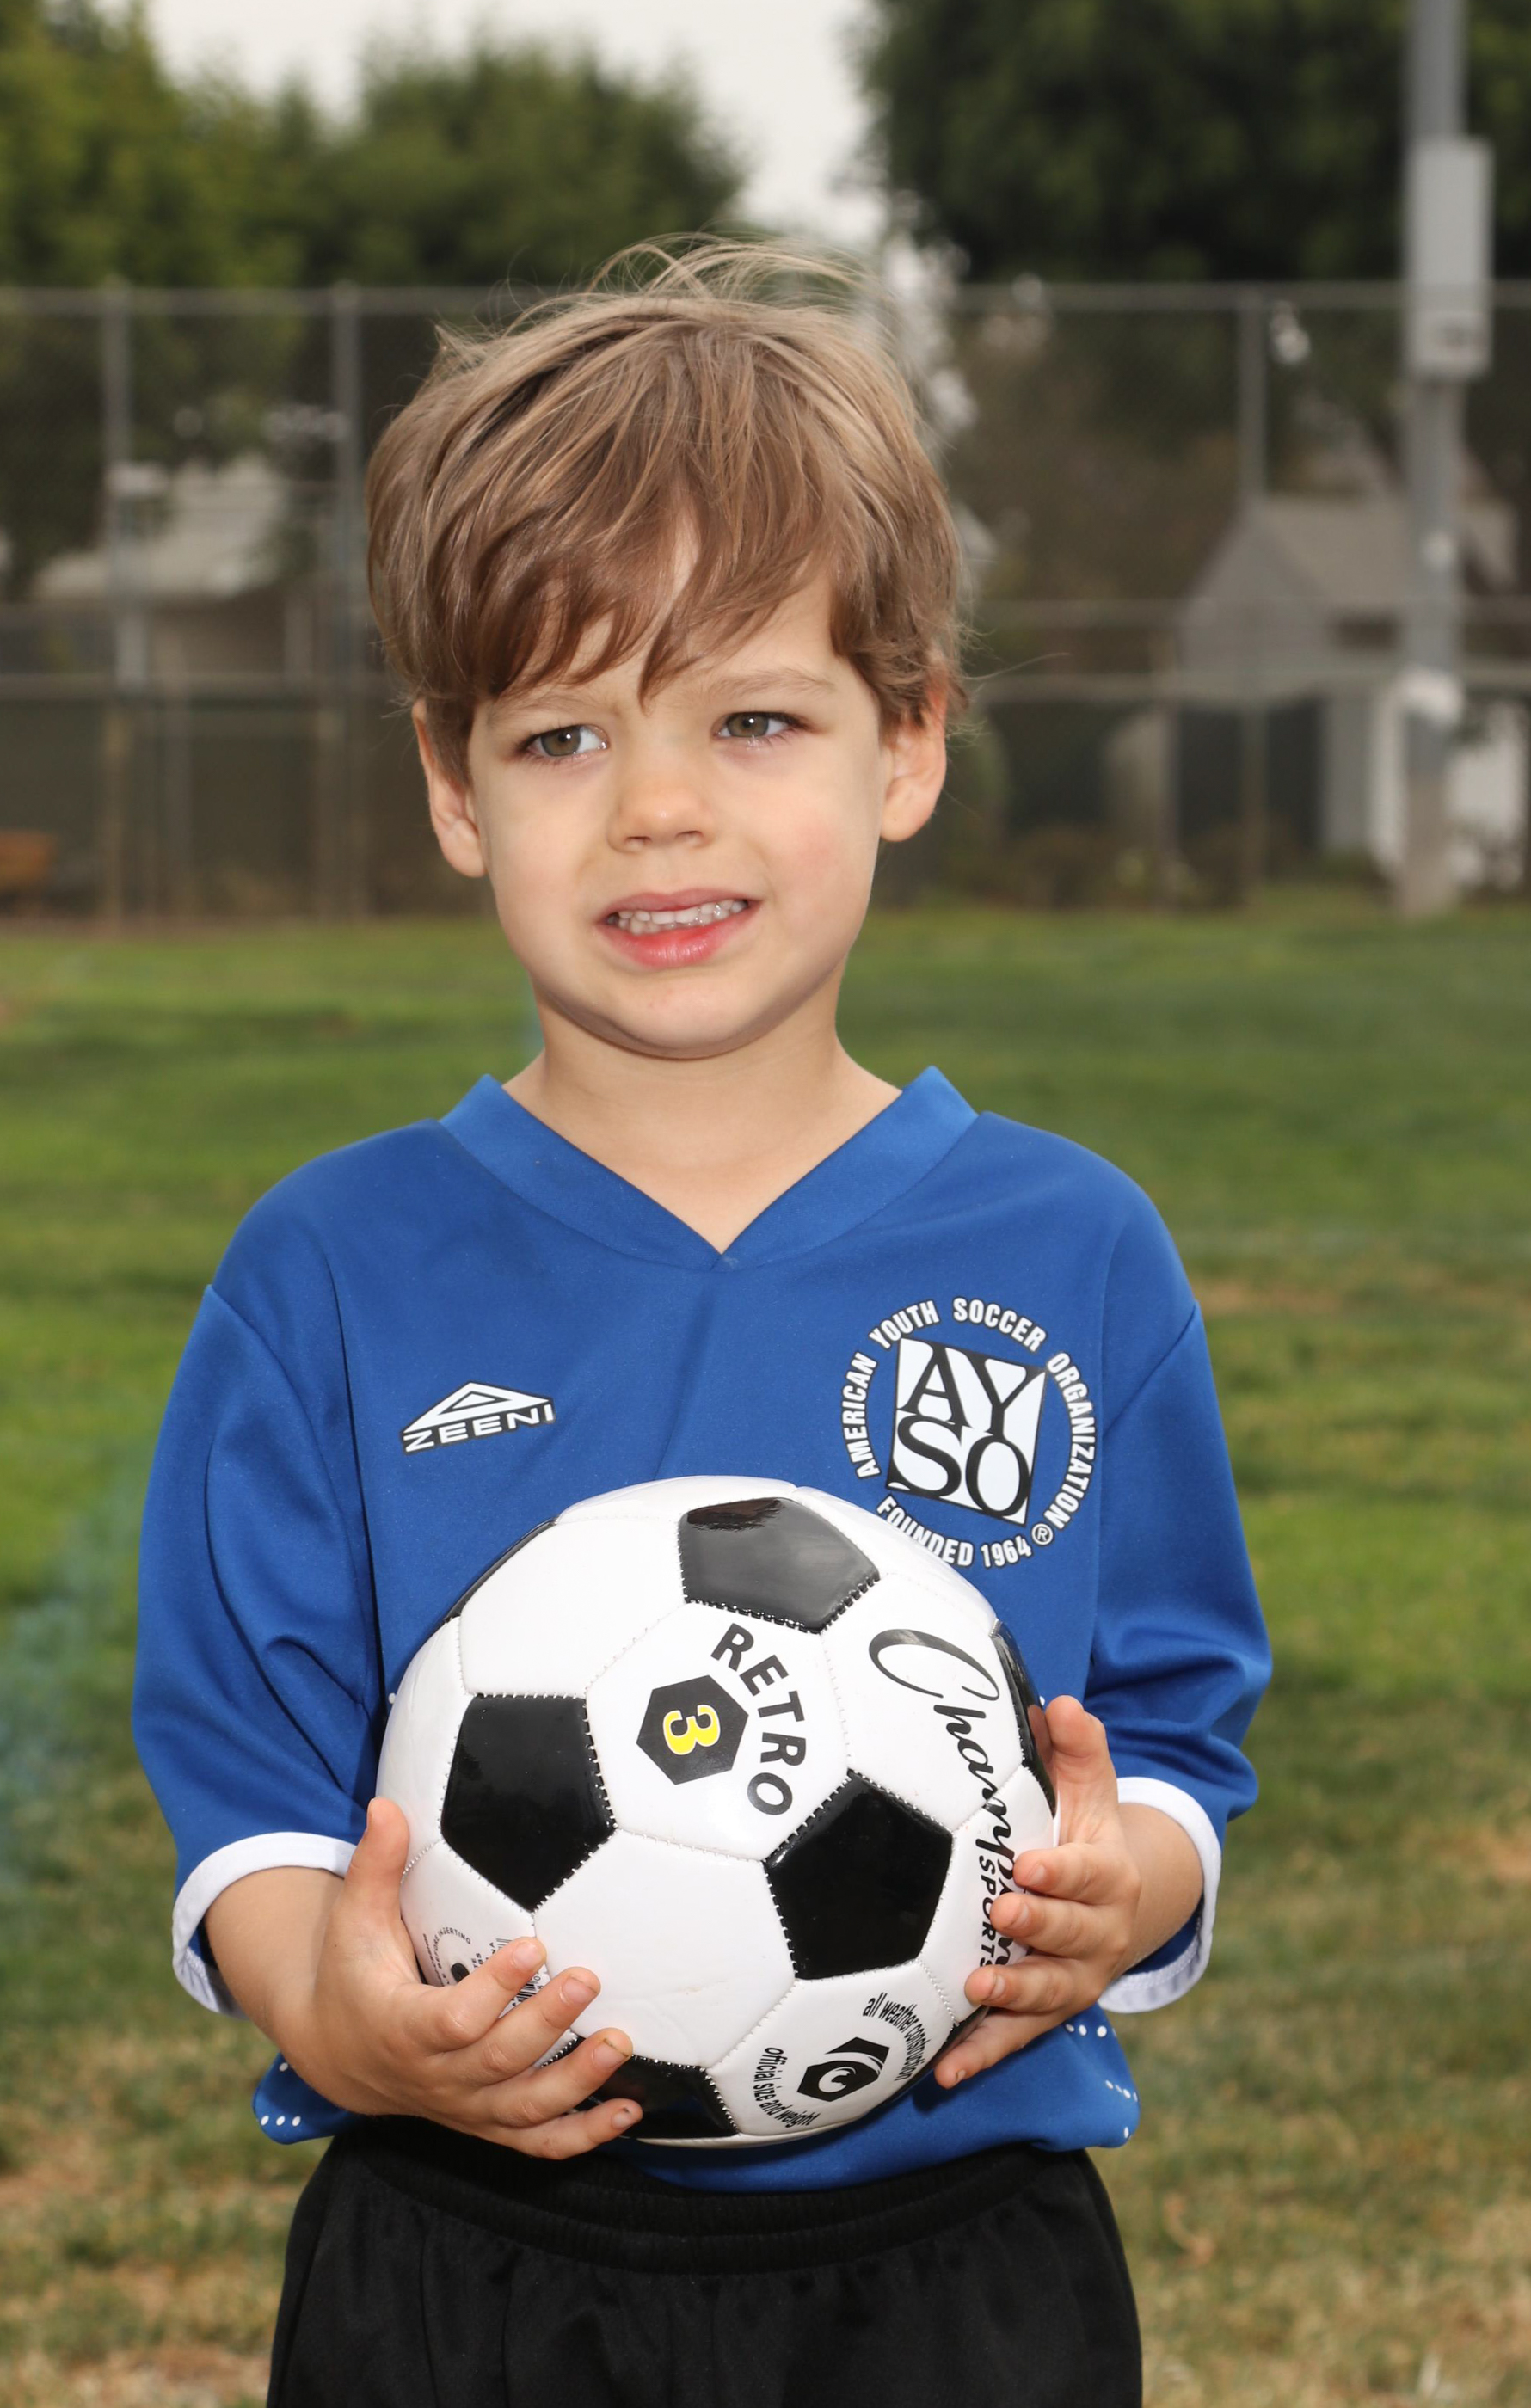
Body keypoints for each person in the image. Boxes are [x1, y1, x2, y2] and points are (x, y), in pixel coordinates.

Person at [133, 244, 1270, 2408]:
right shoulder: (331, 1270)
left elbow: (1177, 1733)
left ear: (906, 742)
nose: (658, 806)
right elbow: (253, 1799)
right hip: (464, 2265)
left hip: (959, 2268)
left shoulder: (1074, 1249)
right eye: (563, 733)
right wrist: (339, 2007)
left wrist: (1130, 1880)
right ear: (454, 785)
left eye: (752, 719)